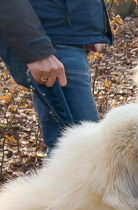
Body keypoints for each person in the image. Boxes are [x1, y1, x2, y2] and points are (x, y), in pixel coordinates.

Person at [0, 0, 113, 149]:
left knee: (81, 152)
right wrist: (36, 49)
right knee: (86, 151)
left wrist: (89, 26)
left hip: (65, 40)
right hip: (50, 43)